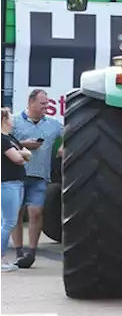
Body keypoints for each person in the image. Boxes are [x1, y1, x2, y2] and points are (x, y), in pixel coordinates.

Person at [11, 89, 64, 269]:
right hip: (16, 175)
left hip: (40, 177)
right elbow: (4, 141)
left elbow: (72, 131)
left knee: (35, 212)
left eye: (47, 103)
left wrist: (64, 145)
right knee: (16, 214)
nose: (46, 107)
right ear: (31, 102)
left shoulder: (54, 124)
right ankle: (19, 252)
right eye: (42, 103)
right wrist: (24, 144)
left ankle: (31, 252)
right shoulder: (15, 121)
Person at [0, 108, 32, 273]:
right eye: (10, 117)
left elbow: (23, 154)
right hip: (7, 184)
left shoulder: (10, 139)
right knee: (9, 222)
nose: (13, 120)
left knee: (5, 221)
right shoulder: (2, 140)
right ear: (4, 120)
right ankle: (1, 258)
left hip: (16, 183)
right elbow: (19, 159)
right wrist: (24, 153)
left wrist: (23, 153)